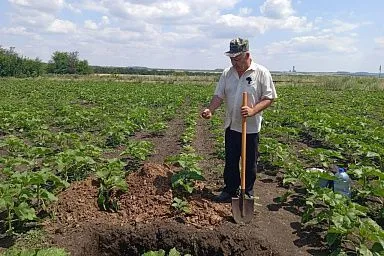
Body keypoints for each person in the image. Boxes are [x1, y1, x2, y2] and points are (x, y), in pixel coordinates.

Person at [201, 38, 277, 203]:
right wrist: (210, 109)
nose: (234, 62)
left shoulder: (261, 73)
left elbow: (269, 98)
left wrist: (253, 110)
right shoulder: (227, 73)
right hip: (232, 125)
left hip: (250, 129)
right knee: (230, 161)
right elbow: (218, 95)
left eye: (237, 58)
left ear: (247, 55)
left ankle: (247, 191)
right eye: (231, 58)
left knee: (249, 163)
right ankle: (229, 190)